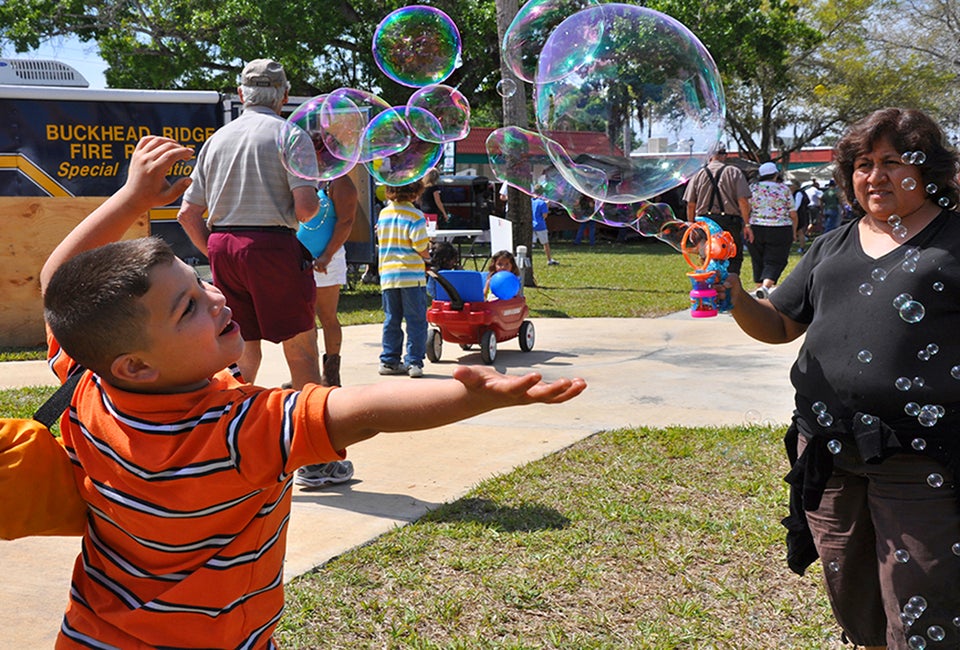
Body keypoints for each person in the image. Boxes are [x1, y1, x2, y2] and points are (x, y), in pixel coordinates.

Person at [39, 134, 587, 649]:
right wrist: (469, 399)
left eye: (198, 279)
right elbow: (362, 409)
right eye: (187, 308)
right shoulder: (239, 427)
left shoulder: (88, 382)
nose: (213, 297)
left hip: (91, 632)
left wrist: (132, 197)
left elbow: (56, 283)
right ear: (136, 365)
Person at [719, 107, 960, 649]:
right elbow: (780, 323)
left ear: (927, 171)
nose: (875, 176)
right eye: (863, 163)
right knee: (851, 592)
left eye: (893, 161)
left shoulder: (954, 243)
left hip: (919, 455)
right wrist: (734, 293)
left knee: (923, 599)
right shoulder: (833, 244)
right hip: (827, 448)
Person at [178, 58, 322, 392]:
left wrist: (214, 251)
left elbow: (187, 213)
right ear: (284, 96)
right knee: (300, 345)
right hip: (272, 248)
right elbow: (305, 210)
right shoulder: (291, 136)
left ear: (242, 94)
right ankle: (311, 430)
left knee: (237, 344)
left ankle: (229, 422)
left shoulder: (217, 140)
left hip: (223, 247)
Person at [296, 173, 359, 488]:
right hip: (300, 259)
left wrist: (327, 254)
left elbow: (345, 222)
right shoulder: (307, 181)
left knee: (326, 317)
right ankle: (308, 375)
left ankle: (330, 370)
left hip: (326, 261)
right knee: (304, 320)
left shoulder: (342, 183)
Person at [377, 179, 431, 378]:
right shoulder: (415, 215)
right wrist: (428, 255)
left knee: (392, 319)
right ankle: (414, 362)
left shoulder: (384, 214)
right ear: (415, 192)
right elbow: (420, 246)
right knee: (416, 320)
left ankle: (389, 360)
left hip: (389, 276)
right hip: (411, 276)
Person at [682, 143, 752, 275]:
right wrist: (747, 224)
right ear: (724, 155)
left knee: (707, 256)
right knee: (732, 257)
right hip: (729, 222)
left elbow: (691, 203)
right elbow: (743, 201)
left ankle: (708, 287)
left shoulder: (698, 174)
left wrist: (691, 225)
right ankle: (729, 288)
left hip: (705, 223)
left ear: (709, 157)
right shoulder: (734, 172)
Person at [745, 161, 797, 298]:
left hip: (756, 226)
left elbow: (747, 209)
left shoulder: (753, 188)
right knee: (775, 259)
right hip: (780, 227)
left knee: (758, 259)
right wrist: (794, 230)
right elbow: (793, 213)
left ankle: (760, 288)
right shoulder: (784, 189)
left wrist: (747, 225)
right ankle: (766, 287)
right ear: (776, 174)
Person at [532, 196, 559, 265]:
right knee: (545, 243)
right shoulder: (542, 203)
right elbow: (544, 215)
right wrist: (547, 206)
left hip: (531, 225)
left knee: (530, 243)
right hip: (540, 225)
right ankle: (549, 259)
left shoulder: (530, 201)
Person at [791, 180, 812, 253]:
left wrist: (792, 211)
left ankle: (802, 248)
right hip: (798, 213)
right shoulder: (796, 193)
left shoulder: (798, 193)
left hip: (799, 214)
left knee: (800, 232)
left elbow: (797, 205)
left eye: (791, 185)